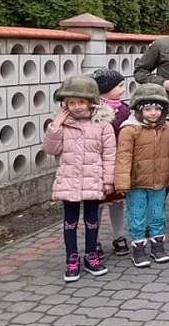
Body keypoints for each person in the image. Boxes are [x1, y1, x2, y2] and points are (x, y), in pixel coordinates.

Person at [42, 76, 116, 282]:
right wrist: (55, 125)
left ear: (91, 102)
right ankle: (71, 258)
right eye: (71, 103)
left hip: (93, 179)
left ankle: (91, 255)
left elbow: (110, 154)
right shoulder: (62, 125)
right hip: (70, 179)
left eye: (81, 102)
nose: (76, 107)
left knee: (92, 220)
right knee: (70, 222)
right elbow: (50, 149)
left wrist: (108, 180)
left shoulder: (103, 125)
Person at [114, 84, 169, 267]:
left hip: (160, 182)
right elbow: (123, 157)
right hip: (137, 182)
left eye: (157, 109)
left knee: (158, 214)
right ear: (138, 110)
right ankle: (139, 249)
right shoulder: (129, 130)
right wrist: (122, 182)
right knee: (137, 216)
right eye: (148, 109)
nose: (153, 113)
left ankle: (157, 246)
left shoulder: (168, 127)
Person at [91, 68, 131, 257]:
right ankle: (94, 239)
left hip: (120, 162)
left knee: (118, 201)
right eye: (119, 86)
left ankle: (118, 235)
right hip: (98, 164)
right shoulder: (94, 110)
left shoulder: (124, 108)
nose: (123, 89)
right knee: (96, 203)